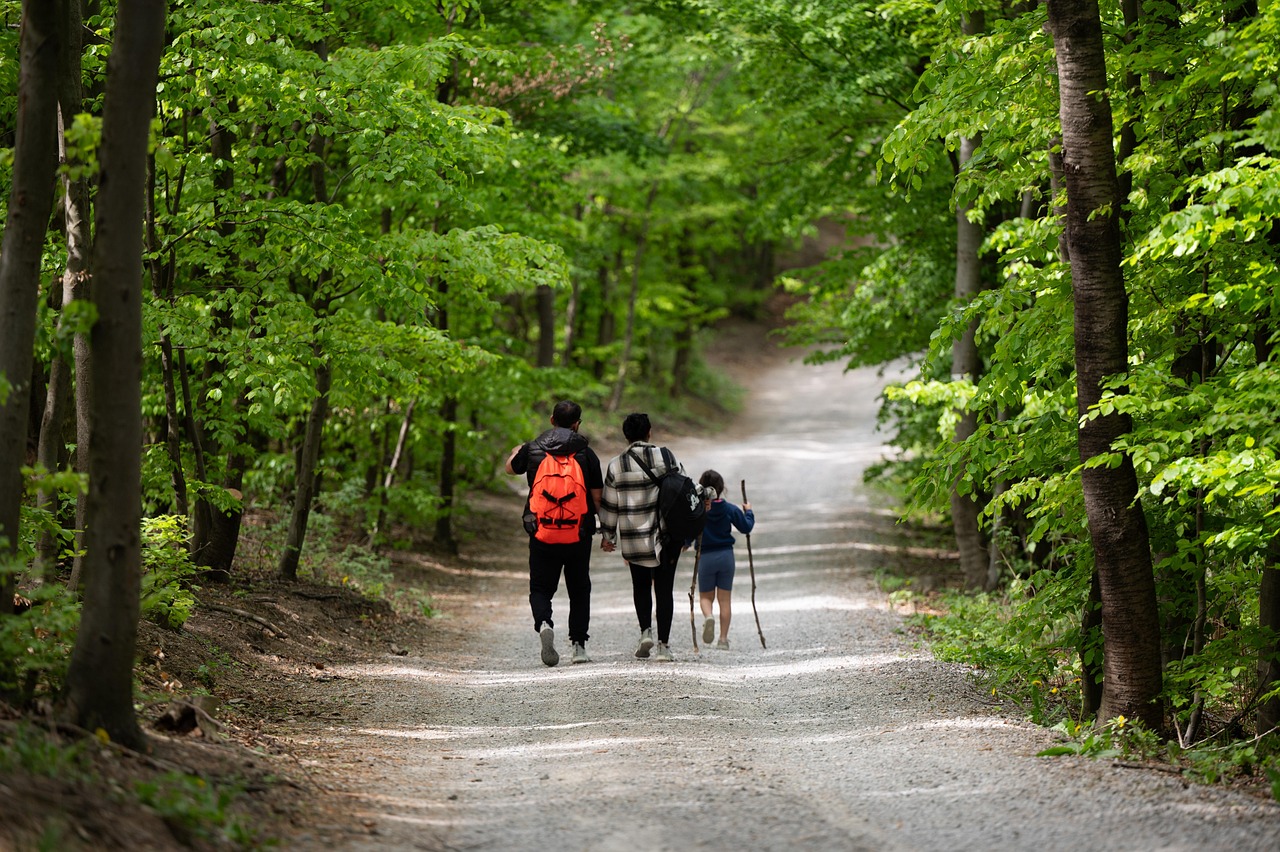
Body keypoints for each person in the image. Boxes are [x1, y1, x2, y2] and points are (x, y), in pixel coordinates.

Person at [598, 412, 703, 662]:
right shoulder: (666, 456)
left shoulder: (616, 465)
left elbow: (610, 505)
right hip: (666, 536)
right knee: (664, 590)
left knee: (640, 586)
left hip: (634, 539)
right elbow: (686, 486)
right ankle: (663, 647)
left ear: (626, 436)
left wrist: (608, 535)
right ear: (649, 432)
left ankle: (645, 631)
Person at [506, 400, 603, 667]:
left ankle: (545, 622)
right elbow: (596, 497)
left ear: (551, 420)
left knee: (540, 588)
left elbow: (510, 468)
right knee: (580, 588)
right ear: (577, 424)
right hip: (578, 532)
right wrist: (604, 529)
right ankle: (579, 646)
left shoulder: (534, 448)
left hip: (541, 531)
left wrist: (517, 450)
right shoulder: (585, 453)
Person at [694, 470, 754, 650]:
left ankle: (708, 617)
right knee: (725, 600)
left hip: (705, 557)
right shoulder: (729, 509)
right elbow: (746, 527)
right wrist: (749, 512)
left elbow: (689, 530)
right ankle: (722, 639)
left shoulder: (698, 510)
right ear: (721, 489)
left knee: (706, 597)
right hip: (726, 556)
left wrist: (686, 543)